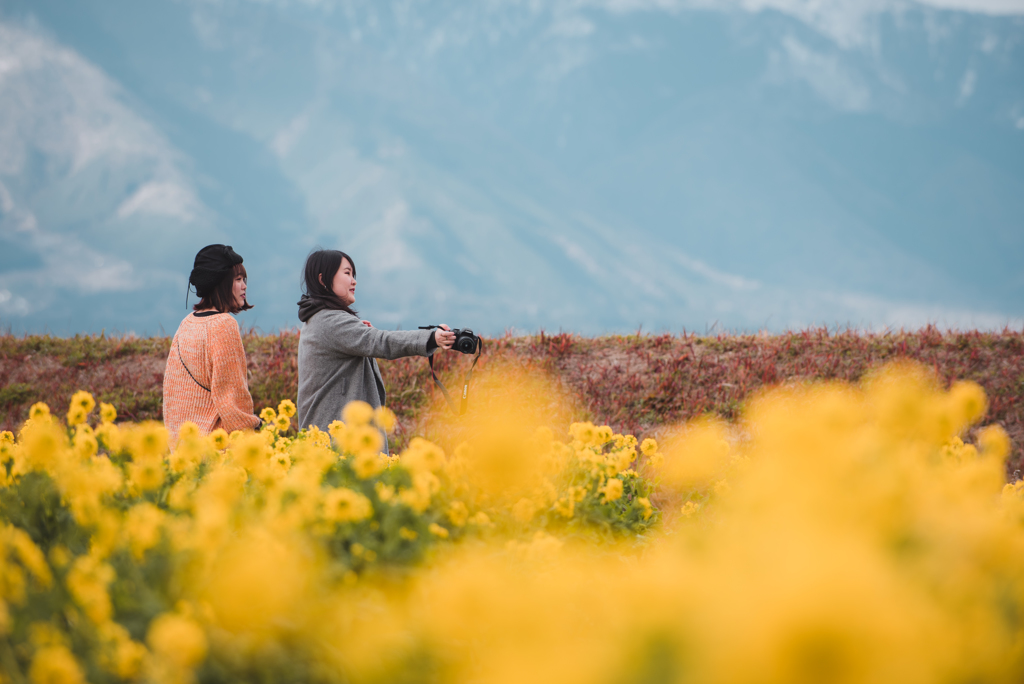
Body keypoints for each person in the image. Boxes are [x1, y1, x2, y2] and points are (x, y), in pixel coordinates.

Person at [296, 249, 455, 443]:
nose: (354, 281)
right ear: (323, 280)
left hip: (331, 439)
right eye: (347, 273)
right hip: (340, 444)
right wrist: (431, 338)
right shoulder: (330, 321)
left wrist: (358, 333)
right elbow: (381, 342)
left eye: (353, 275)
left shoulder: (318, 318)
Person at [163, 244, 262, 442]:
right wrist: (255, 427)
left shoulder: (187, 322)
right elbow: (231, 397)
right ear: (221, 283)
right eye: (238, 279)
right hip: (217, 448)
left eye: (244, 279)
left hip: (186, 446)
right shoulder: (223, 325)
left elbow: (172, 392)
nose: (244, 286)